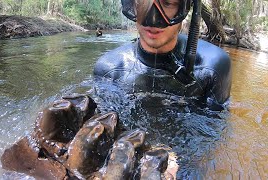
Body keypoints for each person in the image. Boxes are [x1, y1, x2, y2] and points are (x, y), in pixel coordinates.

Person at [94, 0, 232, 110]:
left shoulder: (214, 67)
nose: (153, 20)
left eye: (168, 3)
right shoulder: (108, 69)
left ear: (185, 8)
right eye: (142, 1)